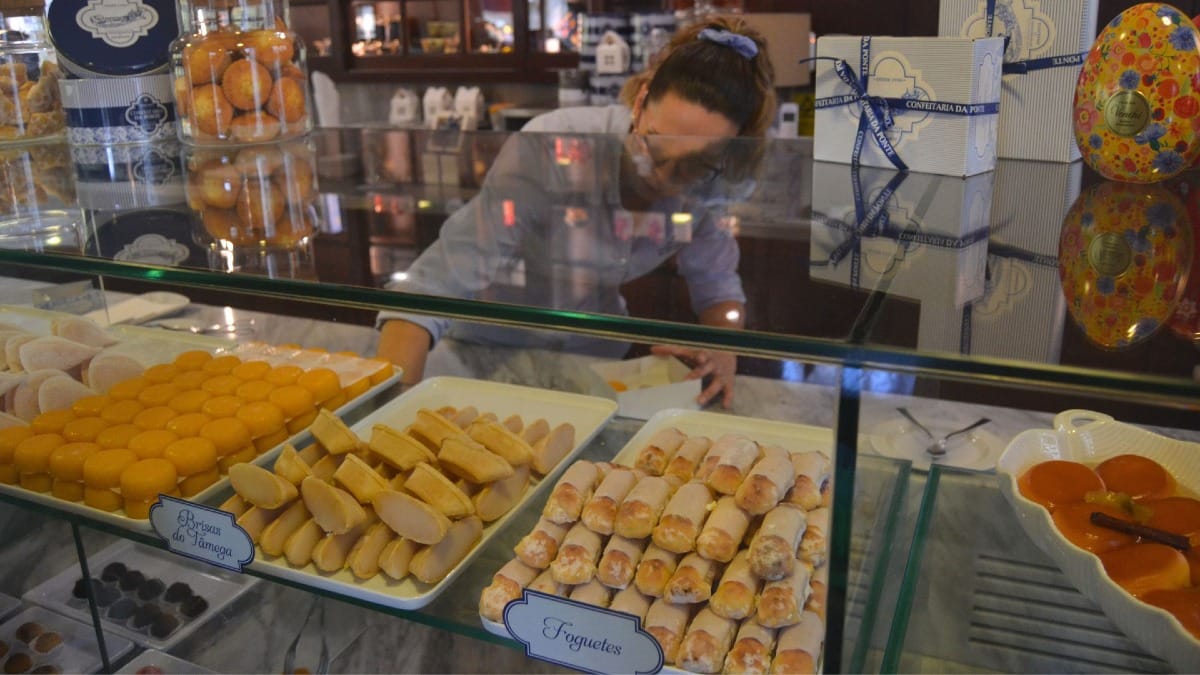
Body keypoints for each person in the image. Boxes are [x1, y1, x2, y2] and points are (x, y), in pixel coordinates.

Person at [377, 16, 776, 408]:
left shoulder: (714, 182)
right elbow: (434, 286)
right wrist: (388, 412)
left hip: (593, 361)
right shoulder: (551, 148)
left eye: (694, 166)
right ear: (640, 101)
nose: (663, 178)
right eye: (653, 147)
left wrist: (724, 347)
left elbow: (718, 286)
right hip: (486, 348)